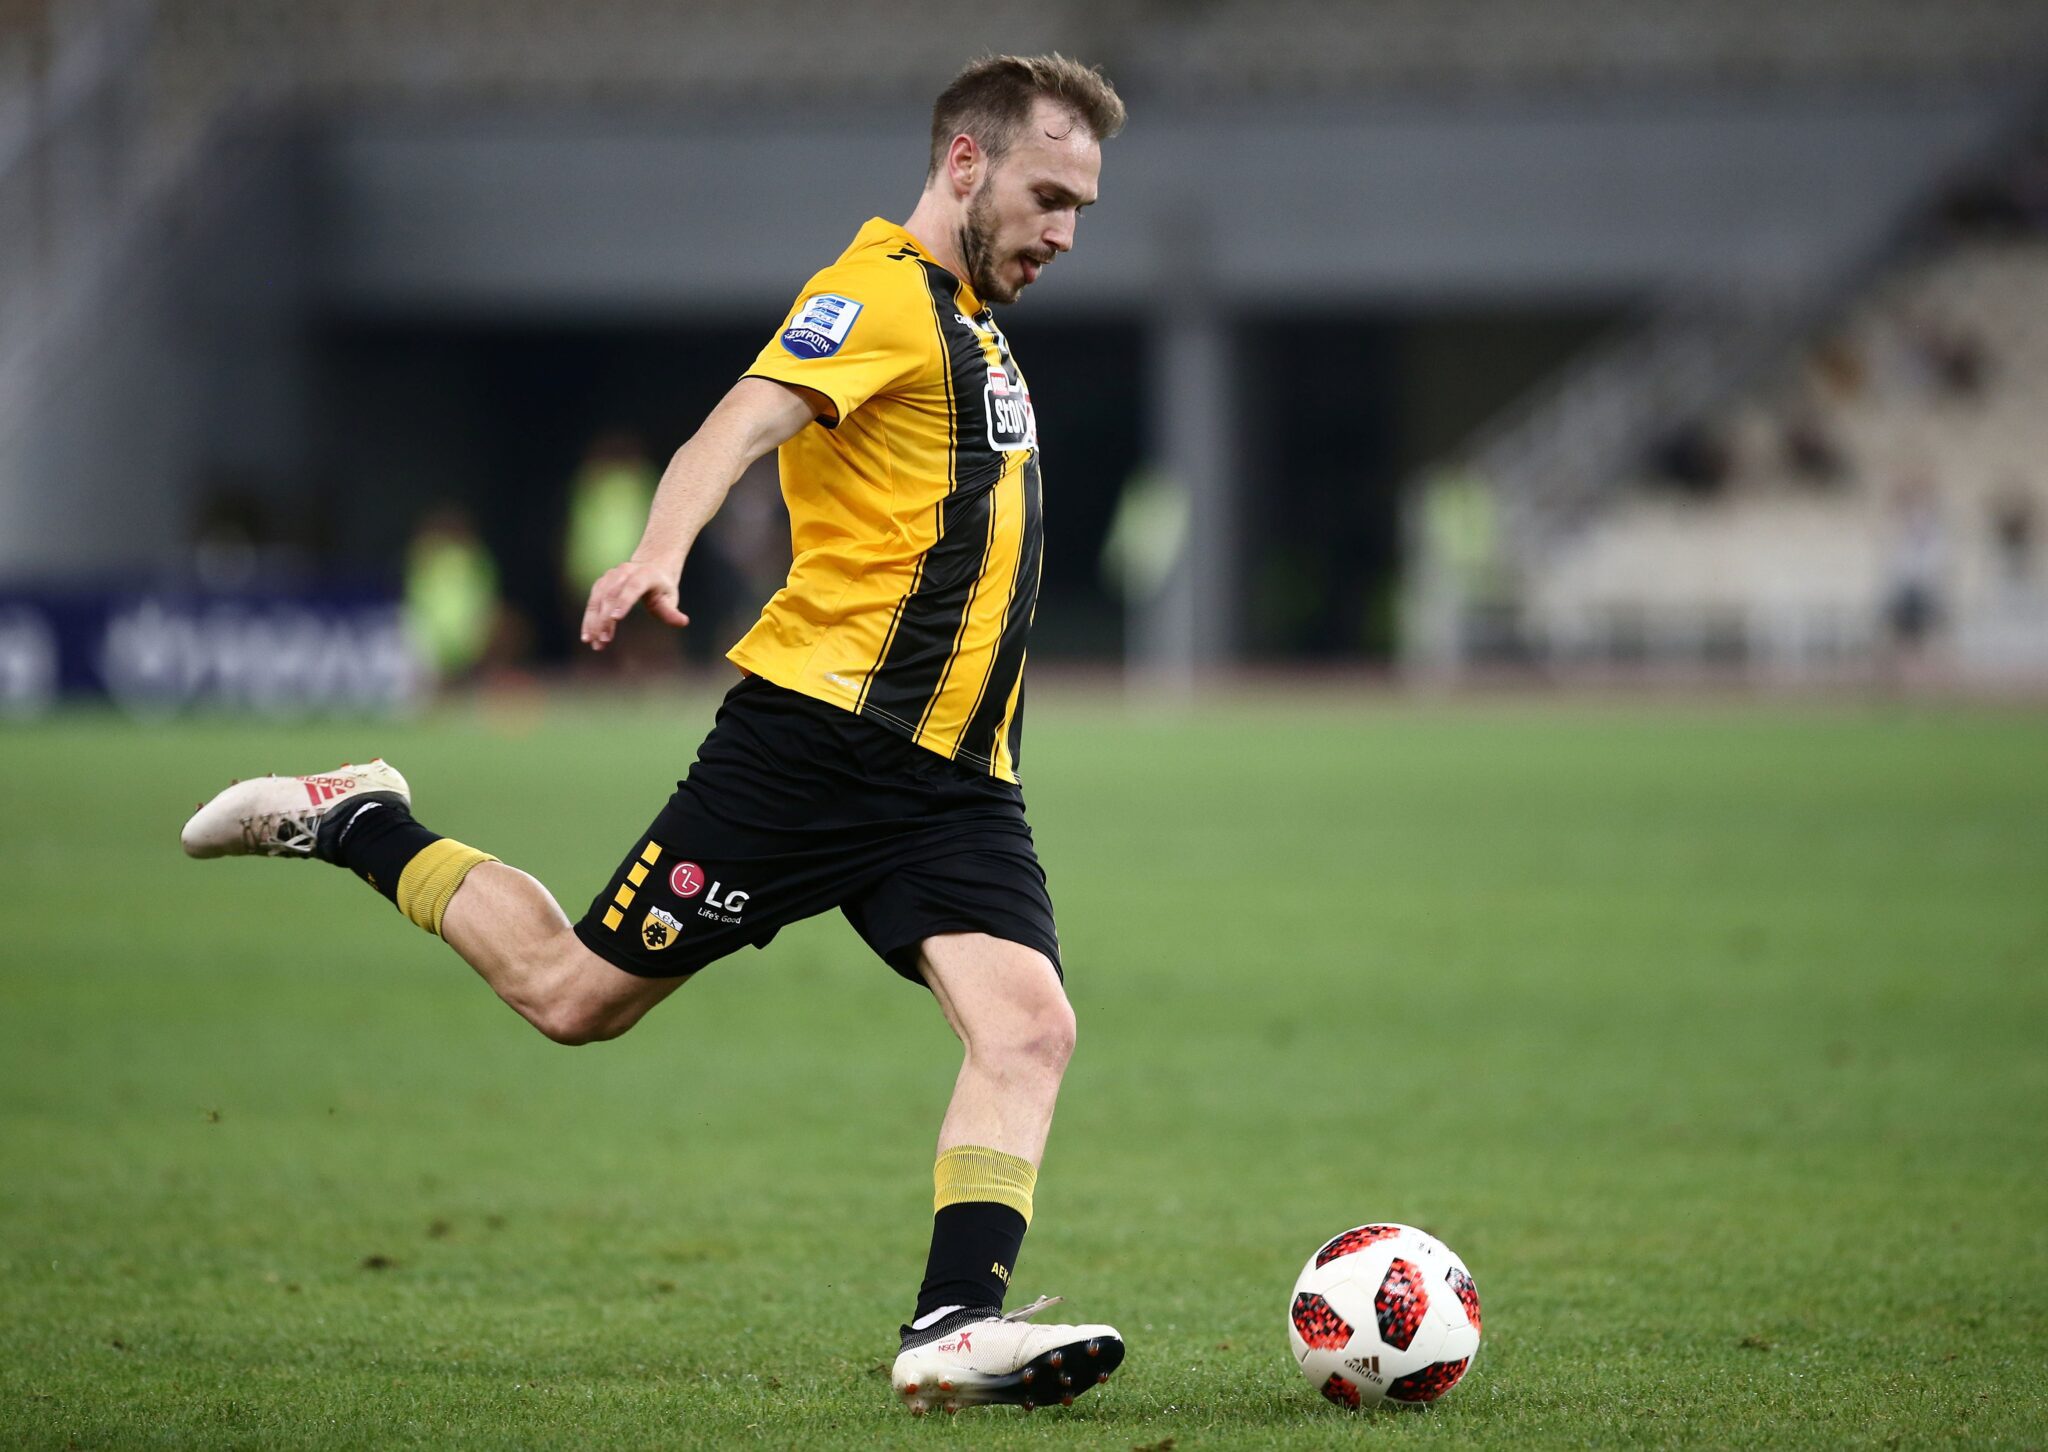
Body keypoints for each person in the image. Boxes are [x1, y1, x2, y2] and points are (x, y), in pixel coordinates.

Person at [180, 53, 1127, 1416]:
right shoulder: (878, 293)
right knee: (573, 998)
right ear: (966, 165)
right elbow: (737, 424)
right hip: (814, 747)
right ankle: (358, 820)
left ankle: (950, 1327)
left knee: (1030, 1028)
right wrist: (658, 549)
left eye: (1081, 207)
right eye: (1049, 196)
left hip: (955, 782)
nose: (1066, 232)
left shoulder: (973, 323)